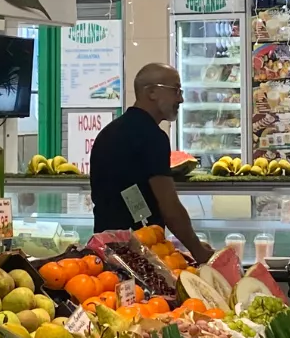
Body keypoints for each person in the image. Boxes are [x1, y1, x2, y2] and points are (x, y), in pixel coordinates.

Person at [90, 64, 215, 261]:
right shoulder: (153, 137)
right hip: (139, 253)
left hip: (105, 249)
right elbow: (170, 207)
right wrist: (198, 251)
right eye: (176, 90)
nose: (180, 99)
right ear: (152, 92)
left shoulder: (108, 132)